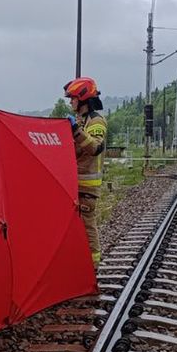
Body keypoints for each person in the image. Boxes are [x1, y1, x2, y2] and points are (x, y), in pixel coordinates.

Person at [63, 77, 107, 265]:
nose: (71, 102)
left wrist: (75, 130)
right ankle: (79, 266)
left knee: (88, 227)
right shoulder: (82, 121)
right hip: (76, 185)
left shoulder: (96, 122)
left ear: (82, 98)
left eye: (72, 98)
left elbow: (95, 147)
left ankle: (92, 266)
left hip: (87, 187)